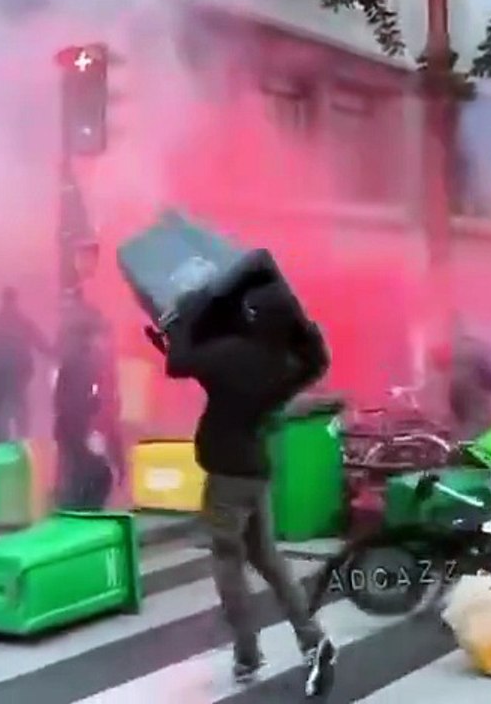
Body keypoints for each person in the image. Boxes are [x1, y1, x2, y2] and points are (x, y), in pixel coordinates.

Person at [145, 283, 336, 697]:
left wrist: (178, 324)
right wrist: (308, 330)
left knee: (227, 561)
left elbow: (178, 363)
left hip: (226, 475)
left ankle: (247, 654)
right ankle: (311, 637)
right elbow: (317, 362)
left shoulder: (231, 353)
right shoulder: (282, 365)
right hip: (255, 472)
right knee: (268, 558)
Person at [53, 309, 118, 509]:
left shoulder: (71, 359)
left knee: (72, 468)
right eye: (101, 335)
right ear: (91, 337)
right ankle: (78, 507)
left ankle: (68, 505)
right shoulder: (86, 361)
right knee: (88, 470)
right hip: (77, 425)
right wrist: (92, 406)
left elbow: (60, 395)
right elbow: (79, 397)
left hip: (67, 424)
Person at [0, 287, 50, 443]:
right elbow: (42, 345)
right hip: (17, 373)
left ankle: (3, 441)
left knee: (4, 408)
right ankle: (21, 439)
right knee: (18, 407)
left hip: (2, 374)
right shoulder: (22, 322)